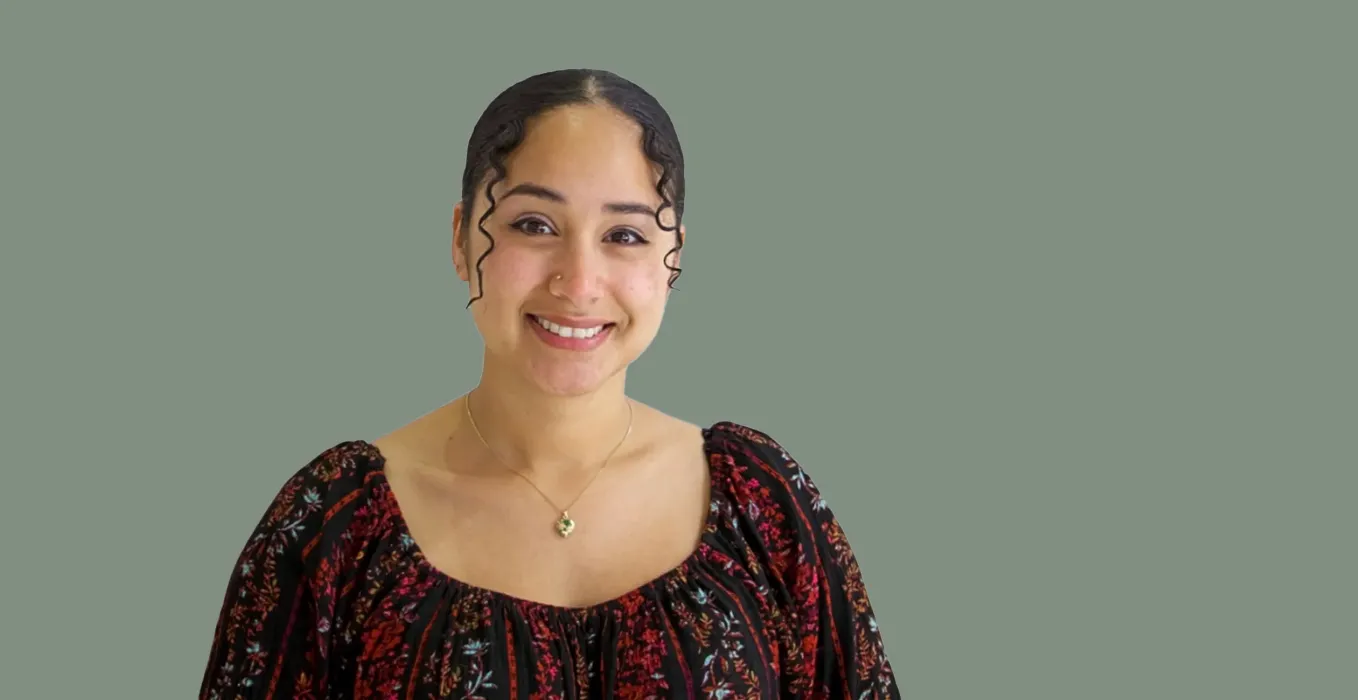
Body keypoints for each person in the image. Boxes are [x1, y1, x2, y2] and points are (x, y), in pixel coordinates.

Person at [199, 68, 900, 699]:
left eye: (624, 235)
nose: (579, 281)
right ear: (459, 238)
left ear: (674, 257)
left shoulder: (763, 505)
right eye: (533, 225)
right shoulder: (337, 529)